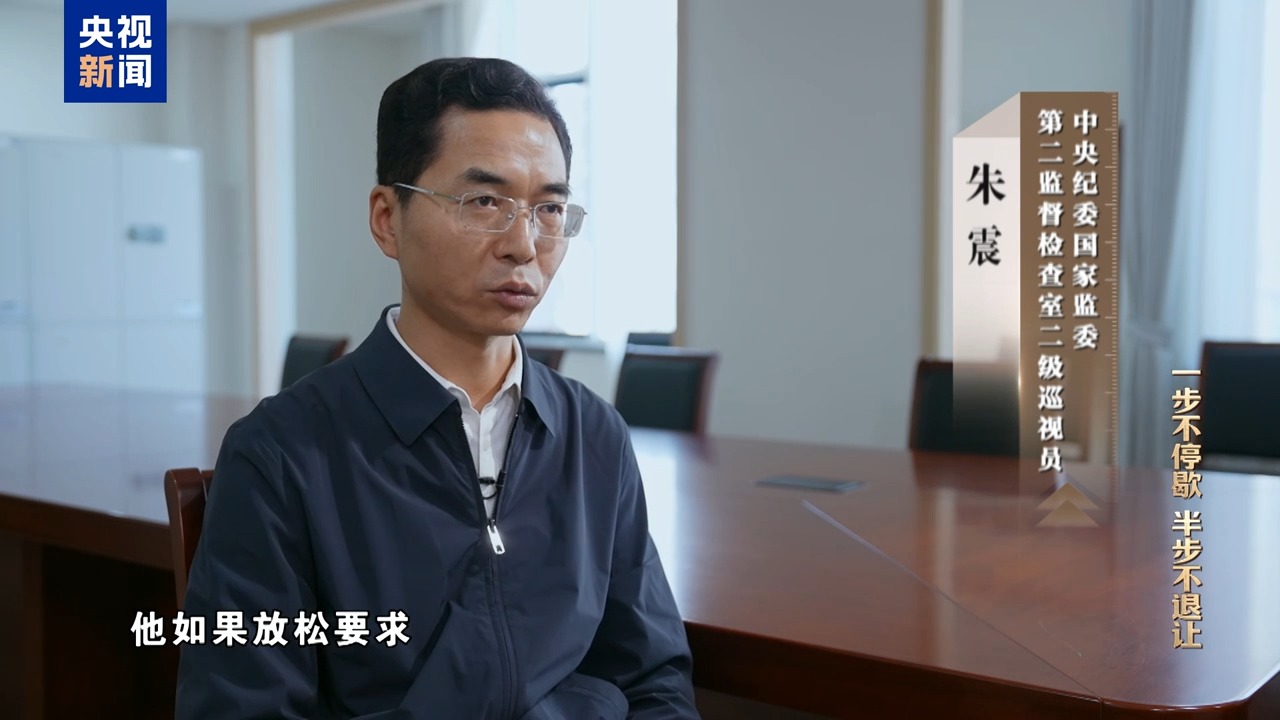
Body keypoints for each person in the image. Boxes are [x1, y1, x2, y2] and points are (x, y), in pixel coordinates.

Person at [176, 57, 699, 719]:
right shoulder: (282, 454)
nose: (523, 245)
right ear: (387, 219)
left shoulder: (593, 436)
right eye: (484, 202)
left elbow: (653, 680)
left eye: (549, 209)